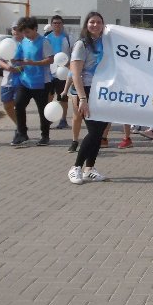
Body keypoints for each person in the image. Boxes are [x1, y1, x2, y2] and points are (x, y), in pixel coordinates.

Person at [68, 11, 109, 184]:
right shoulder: (81, 44)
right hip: (85, 91)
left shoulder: (106, 42)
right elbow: (76, 74)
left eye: (99, 22)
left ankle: (89, 169)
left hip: (103, 92)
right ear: (87, 24)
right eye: (92, 22)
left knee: (99, 133)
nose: (95, 25)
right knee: (93, 132)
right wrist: (83, 99)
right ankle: (75, 167)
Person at [11, 15, 55, 146]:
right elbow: (18, 59)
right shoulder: (23, 42)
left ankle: (45, 136)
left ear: (35, 29)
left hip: (42, 83)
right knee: (18, 104)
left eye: (28, 32)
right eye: (24, 32)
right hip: (25, 81)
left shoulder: (44, 41)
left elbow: (50, 59)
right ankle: (22, 133)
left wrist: (33, 63)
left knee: (43, 110)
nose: (26, 35)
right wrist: (15, 61)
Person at [44, 15, 72, 129]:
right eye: (55, 23)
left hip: (62, 73)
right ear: (51, 25)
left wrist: (69, 65)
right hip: (49, 72)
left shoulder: (67, 38)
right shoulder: (46, 39)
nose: (57, 25)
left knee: (62, 97)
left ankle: (63, 119)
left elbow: (71, 53)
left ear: (62, 24)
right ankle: (48, 118)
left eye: (59, 23)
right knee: (48, 97)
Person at [0, 25, 23, 125]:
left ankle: (20, 129)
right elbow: (0, 60)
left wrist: (20, 67)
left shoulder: (27, 44)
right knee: (7, 106)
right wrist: (7, 67)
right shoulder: (6, 43)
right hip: (7, 81)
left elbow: (31, 60)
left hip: (22, 81)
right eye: (14, 29)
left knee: (19, 105)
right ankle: (19, 125)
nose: (16, 31)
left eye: (19, 29)